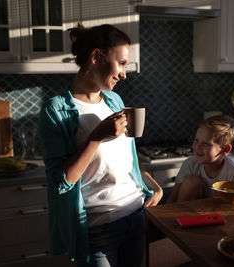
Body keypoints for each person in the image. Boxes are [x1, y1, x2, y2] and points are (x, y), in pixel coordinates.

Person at [38, 23, 163, 267]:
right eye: (122, 63)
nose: (124, 74)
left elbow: (124, 162)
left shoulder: (114, 99)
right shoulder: (55, 110)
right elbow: (60, 182)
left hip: (136, 215)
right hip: (98, 227)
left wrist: (153, 186)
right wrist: (97, 136)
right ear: (96, 56)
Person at [166, 114, 234, 203]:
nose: (197, 146)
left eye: (205, 144)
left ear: (225, 149)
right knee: (191, 181)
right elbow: (172, 199)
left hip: (220, 213)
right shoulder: (190, 165)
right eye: (196, 140)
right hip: (189, 212)